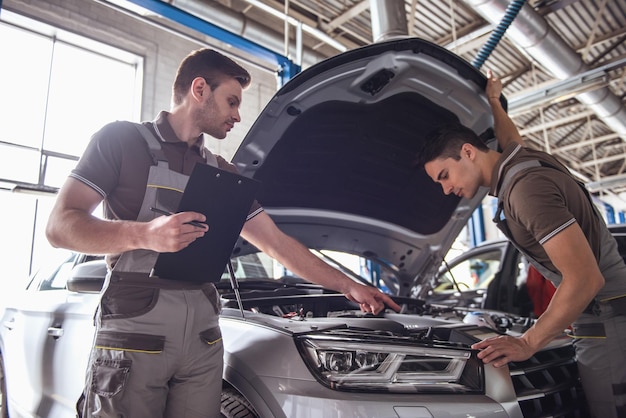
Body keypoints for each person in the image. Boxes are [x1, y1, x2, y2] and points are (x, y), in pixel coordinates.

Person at [46, 48, 401, 418]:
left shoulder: (224, 172)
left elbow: (276, 242)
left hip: (203, 338)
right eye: (231, 101)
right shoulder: (121, 141)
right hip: (135, 331)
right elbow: (60, 226)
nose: (237, 115)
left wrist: (349, 285)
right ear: (199, 89)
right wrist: (145, 235)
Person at [416, 70, 626, 418]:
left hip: (607, 322)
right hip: (605, 317)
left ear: (467, 152)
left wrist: (527, 342)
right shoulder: (520, 161)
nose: (445, 189)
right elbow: (508, 136)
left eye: (444, 176)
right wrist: (494, 102)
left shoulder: (525, 190)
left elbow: (586, 279)